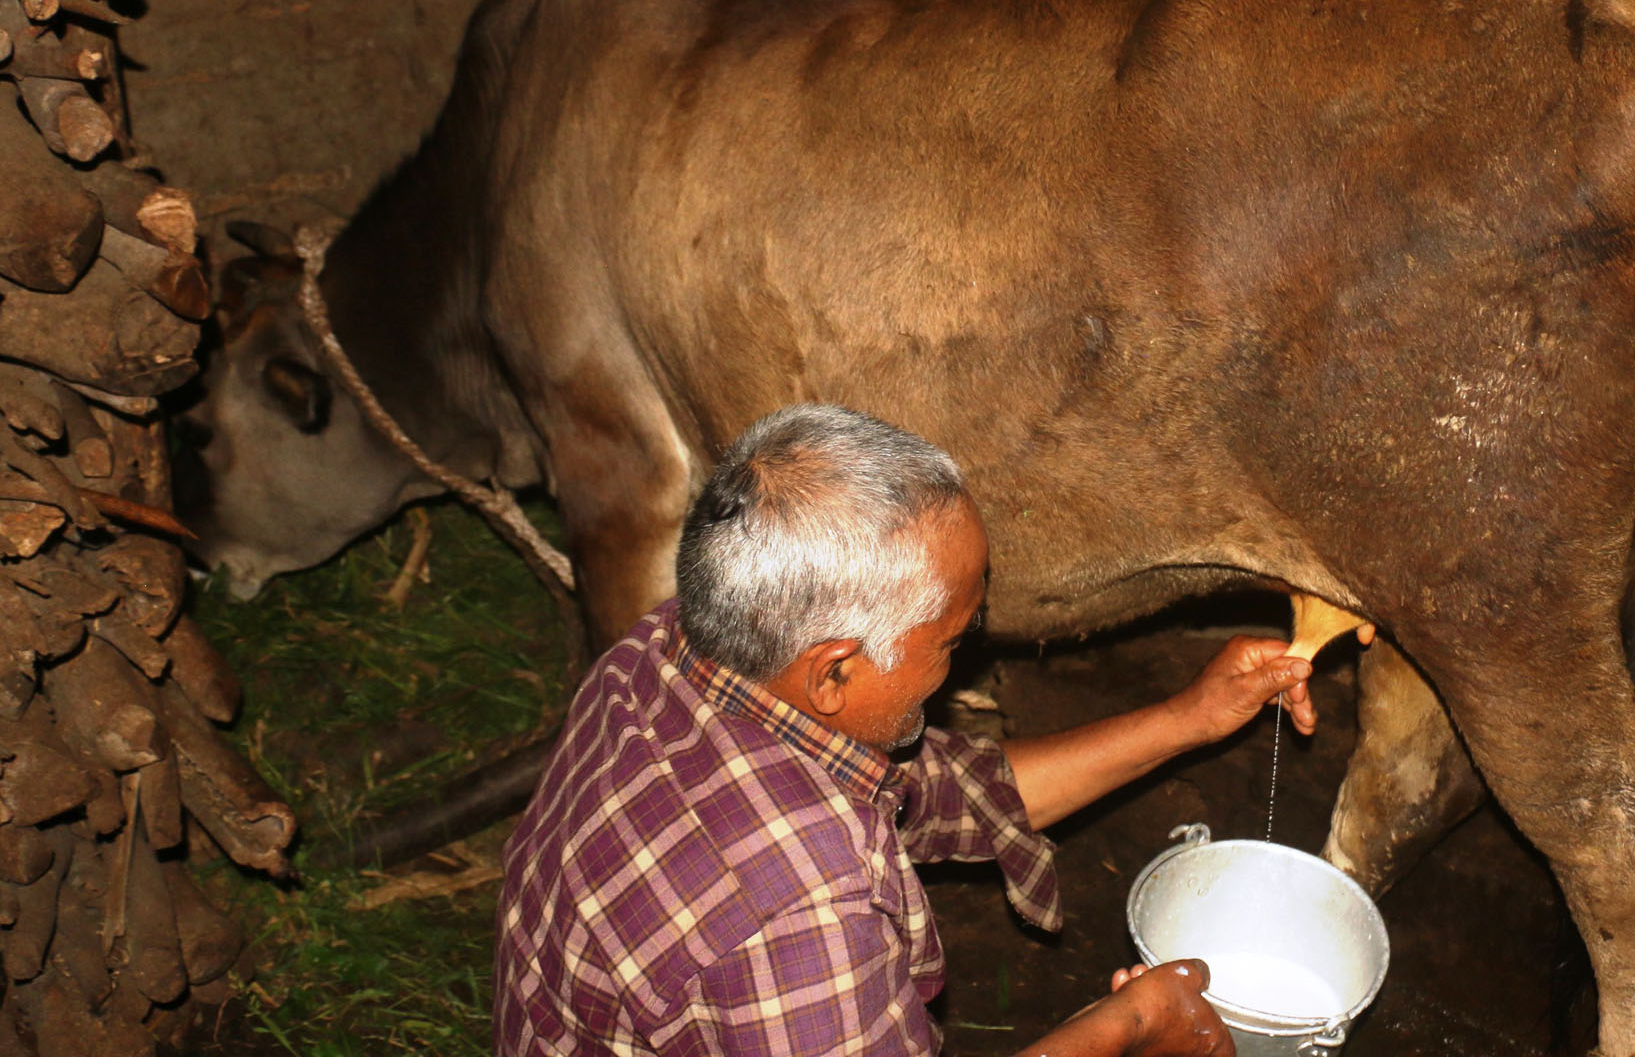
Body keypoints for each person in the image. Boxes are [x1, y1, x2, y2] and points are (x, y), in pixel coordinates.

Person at [494, 403, 1320, 1057]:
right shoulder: (804, 921)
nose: (963, 657)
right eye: (954, 640)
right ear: (834, 671)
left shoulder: (666, 652)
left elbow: (944, 794)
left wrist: (1190, 719)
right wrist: (1125, 1029)